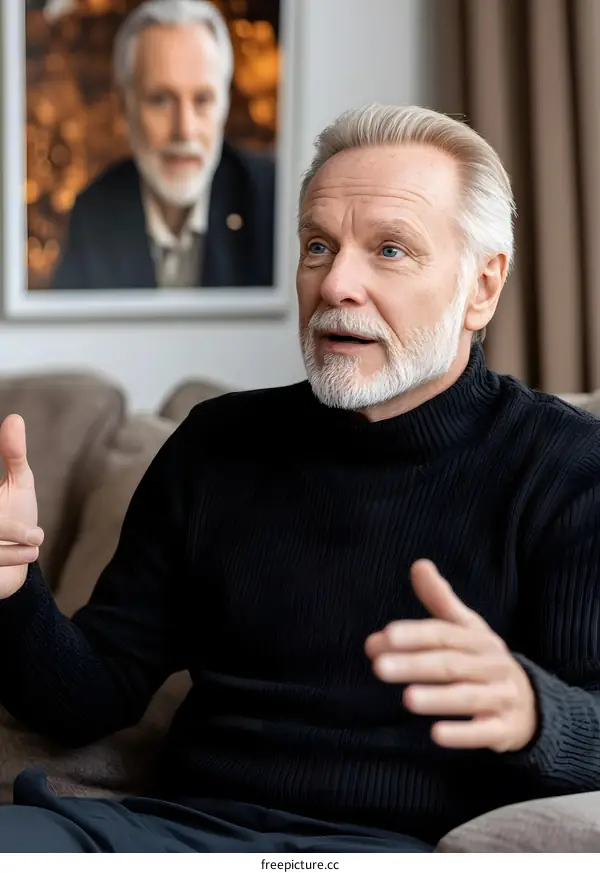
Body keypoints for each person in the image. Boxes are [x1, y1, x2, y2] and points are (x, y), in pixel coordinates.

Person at [0, 102, 600, 853]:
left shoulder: (569, 469)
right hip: (175, 834)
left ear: (482, 286)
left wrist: (535, 711)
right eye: (318, 245)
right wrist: (15, 587)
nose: (336, 283)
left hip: (394, 850)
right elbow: (89, 694)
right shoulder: (217, 445)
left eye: (389, 250)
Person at [51, 0, 275, 291]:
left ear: (225, 105)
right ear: (124, 107)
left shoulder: (270, 199)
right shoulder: (95, 214)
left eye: (203, 100)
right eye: (161, 100)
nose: (184, 129)